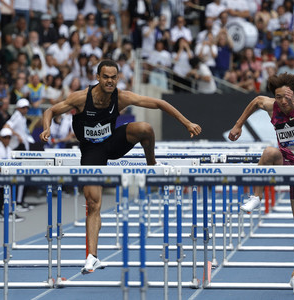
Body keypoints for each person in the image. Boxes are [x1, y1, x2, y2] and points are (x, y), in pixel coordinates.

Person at [39, 60, 202, 275]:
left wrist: (187, 123)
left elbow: (160, 104)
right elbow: (50, 110)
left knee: (145, 128)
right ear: (97, 77)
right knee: (93, 203)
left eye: (113, 77)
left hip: (113, 143)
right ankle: (93, 257)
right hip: (91, 152)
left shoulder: (121, 96)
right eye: (106, 77)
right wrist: (47, 128)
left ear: (118, 78)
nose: (110, 81)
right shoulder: (81, 97)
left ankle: (151, 164)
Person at [228, 72, 294, 295]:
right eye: (279, 97)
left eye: (287, 98)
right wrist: (238, 125)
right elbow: (255, 101)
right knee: (269, 151)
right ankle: (256, 197)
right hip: (284, 158)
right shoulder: (272, 105)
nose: (282, 102)